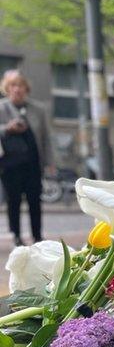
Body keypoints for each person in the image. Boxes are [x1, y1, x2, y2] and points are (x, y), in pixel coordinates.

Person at [0, 70, 50, 247]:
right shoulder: (2, 107)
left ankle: (37, 236)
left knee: (34, 200)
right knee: (13, 201)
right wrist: (7, 128)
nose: (17, 89)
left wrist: (50, 162)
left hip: (32, 164)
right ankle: (16, 235)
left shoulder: (38, 109)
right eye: (13, 85)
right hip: (10, 165)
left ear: (26, 88)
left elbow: (46, 137)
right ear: (7, 88)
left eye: (20, 85)